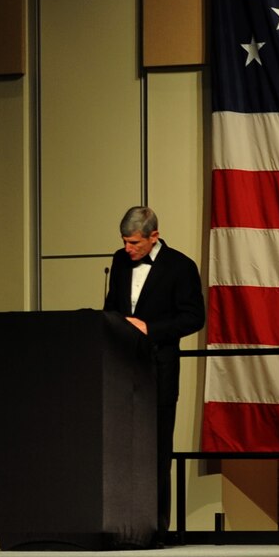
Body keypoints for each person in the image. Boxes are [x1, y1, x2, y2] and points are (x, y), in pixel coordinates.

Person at [105, 206, 206, 529]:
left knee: (157, 452)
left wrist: (150, 328)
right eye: (124, 241)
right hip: (122, 369)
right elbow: (112, 306)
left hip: (159, 369)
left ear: (154, 236)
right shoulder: (120, 262)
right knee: (121, 451)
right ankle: (122, 525)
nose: (127, 249)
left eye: (134, 243)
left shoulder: (180, 266)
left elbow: (194, 317)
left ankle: (157, 527)